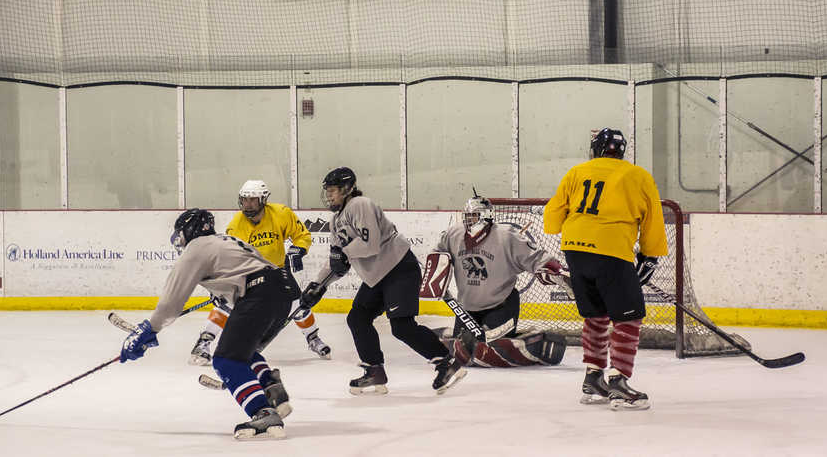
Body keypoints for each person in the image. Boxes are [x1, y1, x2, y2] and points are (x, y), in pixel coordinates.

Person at [119, 208, 298, 440]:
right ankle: (270, 385)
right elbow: (250, 271)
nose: (180, 240)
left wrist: (148, 330)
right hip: (284, 291)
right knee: (244, 352)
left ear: (190, 230)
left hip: (259, 293)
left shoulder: (197, 247)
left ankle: (262, 412)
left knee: (226, 361)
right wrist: (225, 290)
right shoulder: (226, 241)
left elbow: (170, 305)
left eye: (181, 234)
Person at [299, 167, 466, 395]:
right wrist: (318, 286)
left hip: (399, 269)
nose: (329, 196)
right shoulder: (335, 221)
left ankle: (446, 362)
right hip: (376, 278)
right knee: (358, 318)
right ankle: (374, 371)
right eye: (327, 191)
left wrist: (344, 253)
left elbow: (371, 245)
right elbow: (337, 260)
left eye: (333, 191)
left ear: (347, 189)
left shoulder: (360, 205)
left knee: (402, 326)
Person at [542, 128, 668, 411]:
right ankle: (619, 383)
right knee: (629, 317)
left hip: (574, 249)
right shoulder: (637, 175)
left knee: (596, 315)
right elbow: (652, 217)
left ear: (596, 149)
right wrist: (650, 256)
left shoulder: (577, 172)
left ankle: (593, 378)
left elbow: (551, 220)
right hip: (610, 251)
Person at [189, 180, 331, 365]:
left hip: (278, 269)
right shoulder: (236, 226)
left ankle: (313, 339)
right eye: (244, 200)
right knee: (227, 304)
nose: (247, 205)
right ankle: (203, 342)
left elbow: (301, 235)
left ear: (263, 200)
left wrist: (298, 249)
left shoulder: (280, 213)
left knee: (299, 303)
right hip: (250, 272)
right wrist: (222, 286)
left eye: (252, 200)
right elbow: (229, 258)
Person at [428, 193, 568, 367]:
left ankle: (537, 343)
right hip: (467, 309)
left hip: (501, 305)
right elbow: (437, 256)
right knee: (464, 351)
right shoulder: (453, 234)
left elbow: (537, 258)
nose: (468, 220)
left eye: (473, 215)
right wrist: (434, 279)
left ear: (485, 216)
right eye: (467, 216)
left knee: (487, 352)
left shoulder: (506, 236)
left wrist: (557, 271)